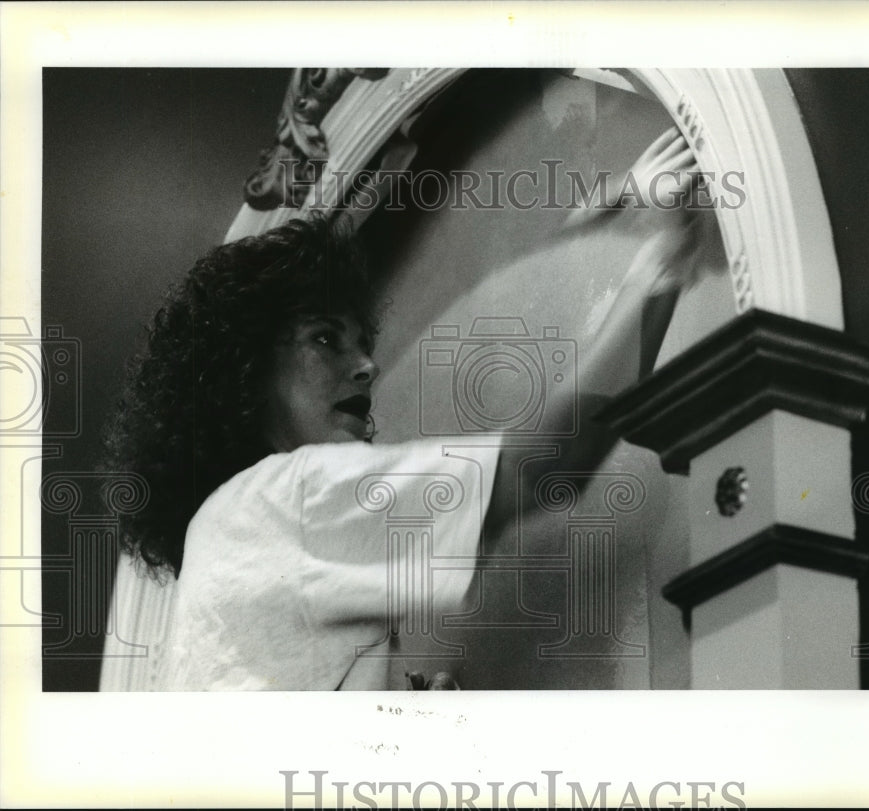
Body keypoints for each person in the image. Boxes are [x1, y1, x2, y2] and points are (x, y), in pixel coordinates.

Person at [101, 127, 706, 690]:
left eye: (363, 343)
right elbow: (544, 466)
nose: (366, 365)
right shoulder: (289, 495)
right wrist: (667, 253)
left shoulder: (219, 537)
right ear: (244, 373)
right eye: (324, 339)